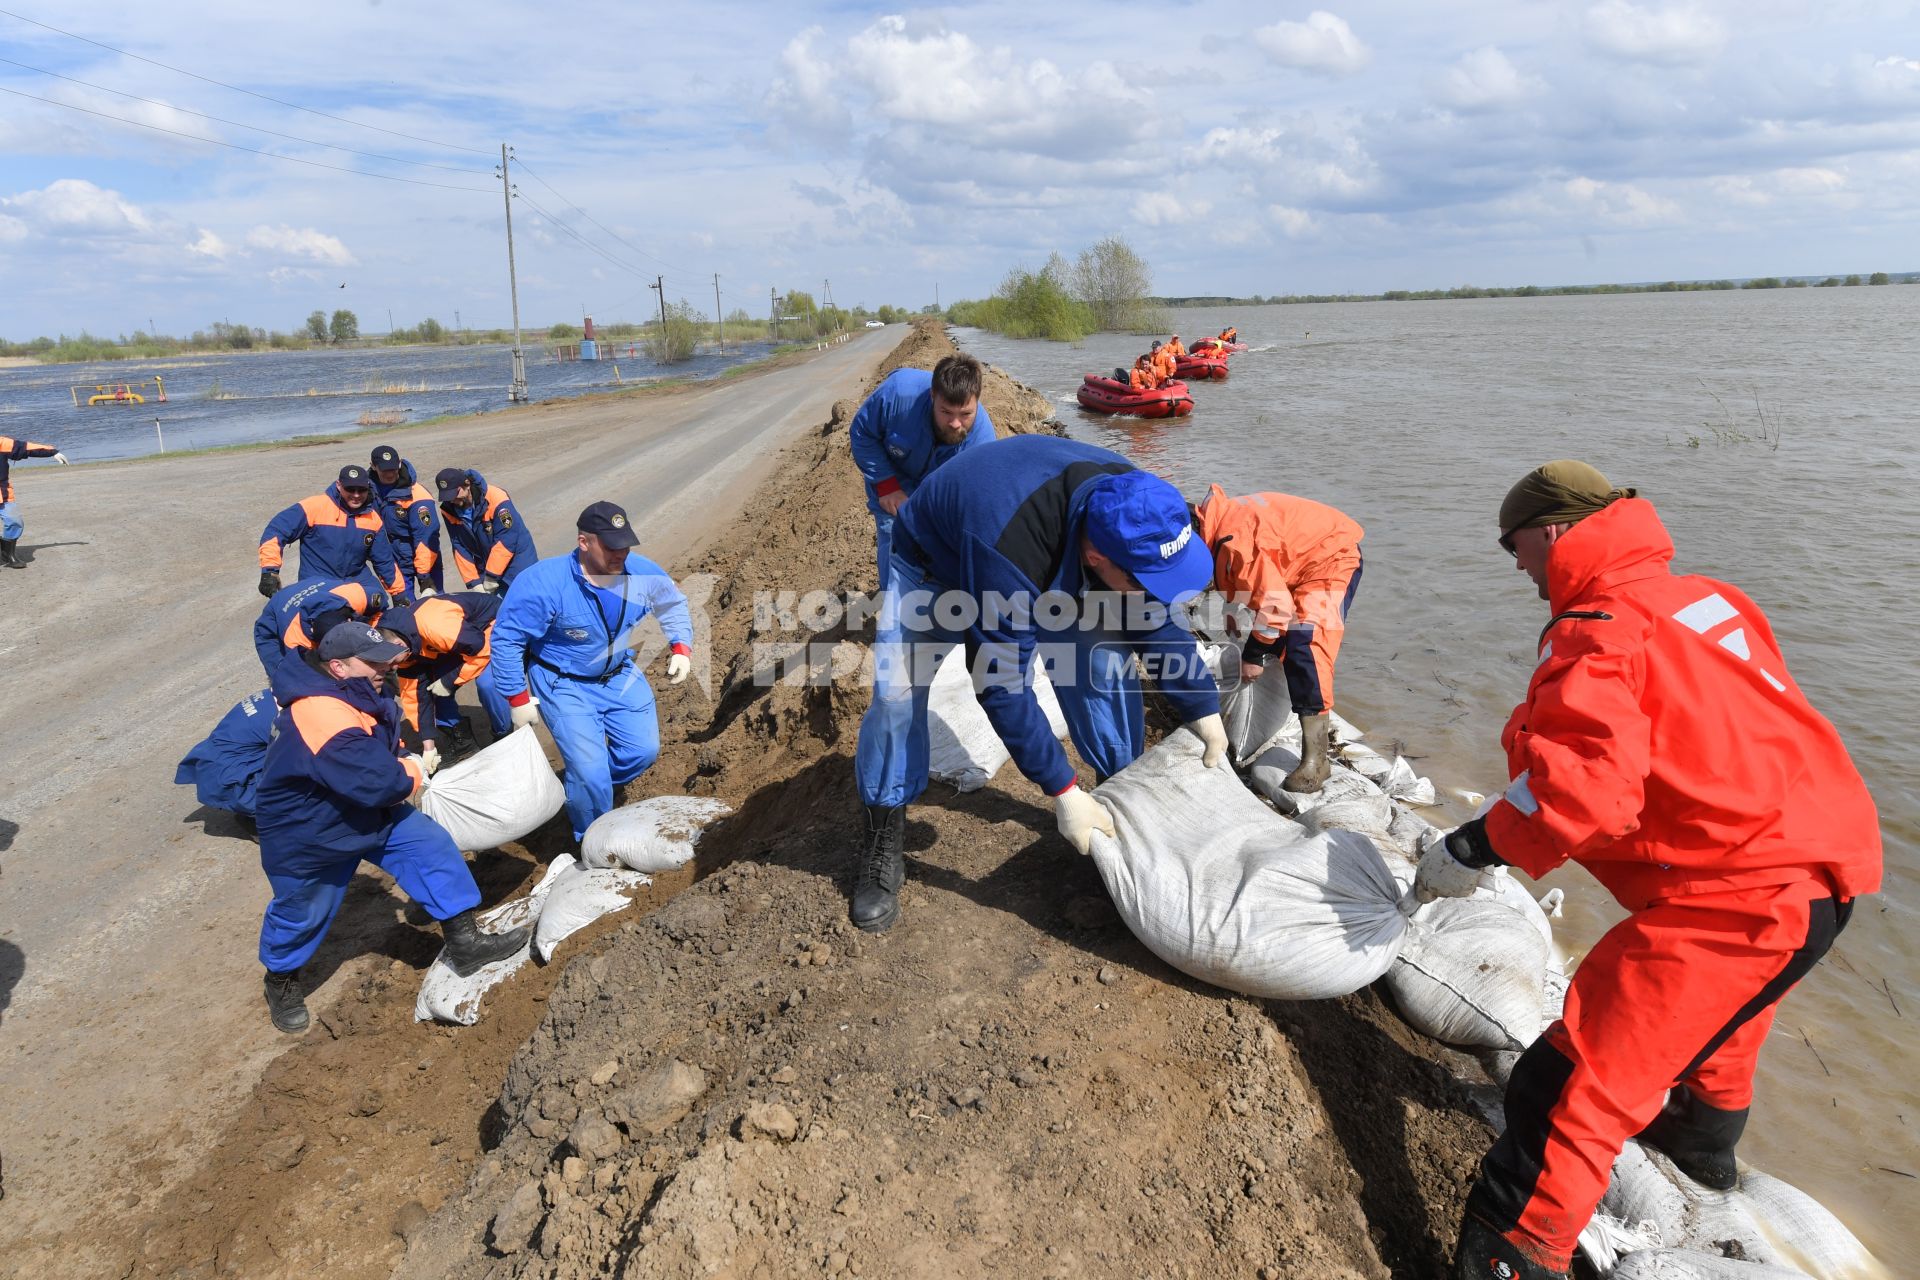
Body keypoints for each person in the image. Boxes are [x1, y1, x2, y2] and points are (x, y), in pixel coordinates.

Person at [1416, 461, 1883, 1280]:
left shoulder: (1596, 627)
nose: (1515, 564)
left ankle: (1512, 1258)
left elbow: (1584, 785)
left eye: (1514, 545)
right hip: (1824, 872)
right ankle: (1699, 1163)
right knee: (1719, 1039)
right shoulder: (1710, 599)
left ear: (1554, 531)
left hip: (1738, 898)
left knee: (1562, 1091)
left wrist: (1472, 847)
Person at [850, 434, 1226, 933]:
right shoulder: (1009, 549)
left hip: (1041, 550)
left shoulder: (1134, 503)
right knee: (897, 696)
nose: (1149, 590)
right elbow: (999, 682)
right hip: (934, 569)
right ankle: (885, 829)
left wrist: (1203, 708)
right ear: (1097, 559)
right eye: (1141, 578)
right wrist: (1061, 790)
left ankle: (1121, 802)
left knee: (1101, 664)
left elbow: (1152, 613)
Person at [254, 622, 531, 1034]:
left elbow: (380, 742)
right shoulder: (319, 712)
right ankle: (280, 978)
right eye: (371, 662)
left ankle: (465, 941)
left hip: (367, 810)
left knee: (429, 845)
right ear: (338, 667)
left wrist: (401, 752)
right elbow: (377, 783)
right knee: (302, 911)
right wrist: (412, 769)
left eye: (384, 658)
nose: (383, 667)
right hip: (309, 830)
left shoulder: (362, 687)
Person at [488, 502, 693, 843]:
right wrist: (516, 696)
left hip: (617, 674)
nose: (621, 554)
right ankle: (592, 838)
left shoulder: (639, 572)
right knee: (590, 772)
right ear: (584, 542)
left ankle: (585, 785)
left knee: (641, 752)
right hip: (564, 683)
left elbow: (672, 603)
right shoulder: (544, 583)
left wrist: (681, 645)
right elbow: (508, 639)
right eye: (611, 546)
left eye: (625, 545)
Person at [1192, 486, 1364, 791]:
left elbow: (1273, 604)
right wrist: (1233, 606)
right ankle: (1288, 715)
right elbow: (1256, 576)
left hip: (1331, 559)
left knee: (1306, 648)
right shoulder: (1217, 524)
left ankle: (1317, 761)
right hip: (1298, 566)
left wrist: (1254, 655)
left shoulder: (1235, 542)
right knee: (1282, 648)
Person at [848, 354, 996, 591]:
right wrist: (886, 485)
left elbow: (975, 496)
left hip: (940, 484)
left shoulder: (982, 440)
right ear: (932, 396)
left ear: (976, 401)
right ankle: (893, 608)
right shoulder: (897, 396)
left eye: (965, 414)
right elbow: (862, 433)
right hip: (893, 475)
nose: (956, 423)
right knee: (893, 534)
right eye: (946, 412)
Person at [379, 591, 512, 765]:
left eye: (394, 663)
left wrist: (449, 681)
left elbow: (480, 649)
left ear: (399, 645)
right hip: (455, 643)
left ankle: (505, 734)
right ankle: (463, 743)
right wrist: (428, 746)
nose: (395, 668)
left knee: (488, 683)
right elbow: (415, 696)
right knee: (431, 688)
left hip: (489, 627)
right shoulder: (399, 648)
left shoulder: (435, 624)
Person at [257, 464, 404, 601]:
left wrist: (399, 595)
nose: (356, 495)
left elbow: (385, 561)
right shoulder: (314, 507)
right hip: (318, 585)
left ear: (368, 488)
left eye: (361, 490)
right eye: (350, 489)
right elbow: (276, 531)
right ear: (339, 486)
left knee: (379, 603)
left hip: (356, 582)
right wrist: (270, 571)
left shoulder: (373, 519)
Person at [253, 572, 391, 680]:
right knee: (289, 677)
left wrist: (373, 638)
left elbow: (381, 606)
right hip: (270, 627)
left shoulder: (356, 596)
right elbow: (307, 673)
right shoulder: (296, 639)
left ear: (349, 620)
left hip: (318, 586)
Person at [175, 686, 276, 820]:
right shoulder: (291, 711)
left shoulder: (273, 693)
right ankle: (261, 817)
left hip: (213, 768)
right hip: (228, 781)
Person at [436, 467, 537, 593]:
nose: (452, 500)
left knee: (529, 606)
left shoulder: (496, 498)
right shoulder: (449, 510)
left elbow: (507, 540)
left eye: (455, 494)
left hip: (517, 566)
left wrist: (491, 576)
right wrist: (473, 582)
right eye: (447, 496)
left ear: (467, 484)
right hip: (487, 567)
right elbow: (459, 546)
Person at [370, 444, 443, 598]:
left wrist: (424, 575)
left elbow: (426, 537)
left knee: (436, 603)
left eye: (393, 469)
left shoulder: (417, 496)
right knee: (405, 607)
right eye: (385, 470)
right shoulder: (366, 491)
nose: (390, 474)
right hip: (393, 559)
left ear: (400, 464)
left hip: (424, 556)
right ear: (373, 467)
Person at [1, 432, 69, 568]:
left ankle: (8, 553)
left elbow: (26, 447)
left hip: (3, 493)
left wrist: (52, 452)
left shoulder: (2, 443)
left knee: (15, 522)